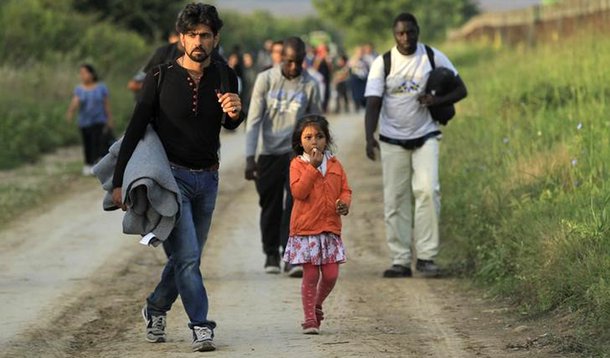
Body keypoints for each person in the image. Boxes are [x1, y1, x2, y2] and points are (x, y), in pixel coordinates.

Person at [111, 3, 244, 351]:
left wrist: (235, 112)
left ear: (216, 38)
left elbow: (230, 123)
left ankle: (155, 307)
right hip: (170, 182)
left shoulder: (225, 74)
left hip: (209, 180)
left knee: (189, 257)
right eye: (192, 35)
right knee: (186, 258)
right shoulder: (159, 77)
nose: (198, 41)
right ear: (181, 37)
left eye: (205, 35)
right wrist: (119, 180)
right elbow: (136, 127)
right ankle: (201, 325)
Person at [364, 13, 467, 278]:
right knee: (396, 199)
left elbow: (461, 89)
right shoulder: (383, 63)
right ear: (394, 34)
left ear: (418, 31)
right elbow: (373, 102)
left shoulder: (432, 56)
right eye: (400, 33)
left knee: (428, 191)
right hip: (392, 139)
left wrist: (437, 100)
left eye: (410, 32)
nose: (406, 38)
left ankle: (426, 257)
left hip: (426, 135)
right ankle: (400, 260)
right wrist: (369, 137)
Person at [245, 36, 321, 277]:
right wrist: (250, 156)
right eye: (289, 62)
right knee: (270, 205)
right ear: (281, 59)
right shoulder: (265, 80)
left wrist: (318, 157)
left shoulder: (309, 84)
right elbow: (254, 120)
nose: (294, 67)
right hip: (268, 152)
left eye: (299, 62)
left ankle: (292, 256)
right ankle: (271, 253)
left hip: (296, 154)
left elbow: (316, 123)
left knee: (296, 204)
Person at [283, 115, 351, 334]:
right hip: (306, 229)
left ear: (327, 139)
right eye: (308, 137)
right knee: (311, 275)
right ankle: (310, 319)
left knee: (331, 275)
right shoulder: (297, 164)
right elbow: (298, 192)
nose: (314, 141)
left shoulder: (335, 164)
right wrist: (312, 167)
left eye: (319, 136)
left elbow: (345, 190)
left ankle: (317, 304)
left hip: (330, 228)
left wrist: (344, 203)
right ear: (300, 141)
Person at [66, 64, 114, 176]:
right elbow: (75, 102)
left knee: (97, 142)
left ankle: (96, 164)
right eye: (81, 73)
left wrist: (110, 118)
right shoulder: (79, 89)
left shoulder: (101, 87)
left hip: (99, 120)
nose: (82, 75)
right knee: (87, 143)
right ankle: (87, 164)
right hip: (85, 122)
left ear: (92, 74)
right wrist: (70, 112)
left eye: (85, 72)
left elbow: (106, 104)